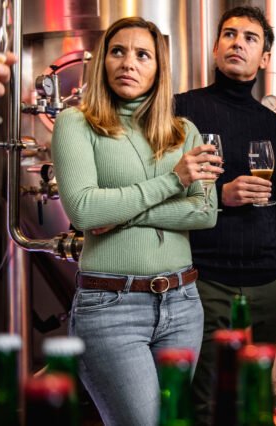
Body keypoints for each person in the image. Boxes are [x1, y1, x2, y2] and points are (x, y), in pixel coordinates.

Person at [52, 17, 221, 426]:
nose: (128, 62)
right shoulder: (76, 123)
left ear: (159, 68)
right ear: (103, 61)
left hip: (182, 304)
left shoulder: (185, 132)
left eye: (143, 55)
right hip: (111, 307)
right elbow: (84, 210)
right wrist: (173, 181)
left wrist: (121, 214)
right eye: (118, 51)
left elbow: (205, 212)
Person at [174, 6, 276, 425]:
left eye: (250, 38)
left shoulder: (272, 124)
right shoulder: (182, 110)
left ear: (264, 58)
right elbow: (161, 187)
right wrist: (219, 194)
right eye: (229, 34)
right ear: (215, 49)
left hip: (268, 283)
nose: (237, 43)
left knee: (256, 399)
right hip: (207, 279)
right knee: (206, 401)